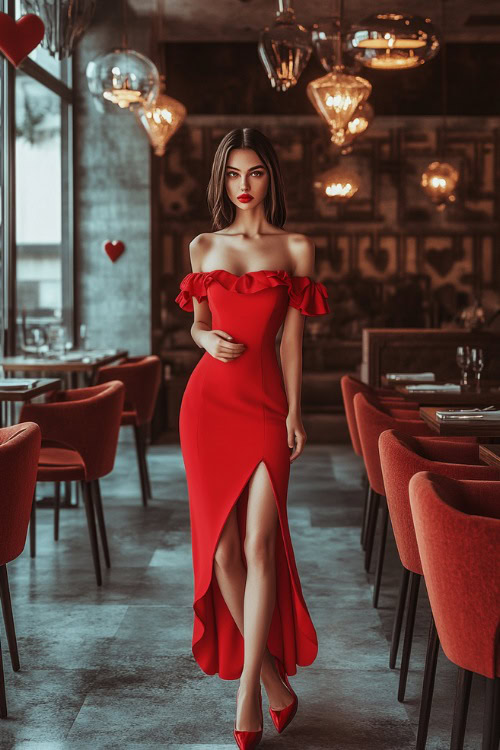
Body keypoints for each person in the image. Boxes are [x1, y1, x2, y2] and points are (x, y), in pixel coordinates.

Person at [175, 127, 330, 749]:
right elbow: (199, 326)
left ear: (271, 177)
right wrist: (203, 340)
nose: (244, 186)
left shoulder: (295, 248)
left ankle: (245, 698)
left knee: (262, 543)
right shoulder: (202, 246)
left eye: (255, 173)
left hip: (265, 405)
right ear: (222, 179)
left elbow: (292, 339)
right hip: (208, 405)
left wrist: (294, 412)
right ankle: (271, 680)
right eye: (234, 174)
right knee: (222, 553)